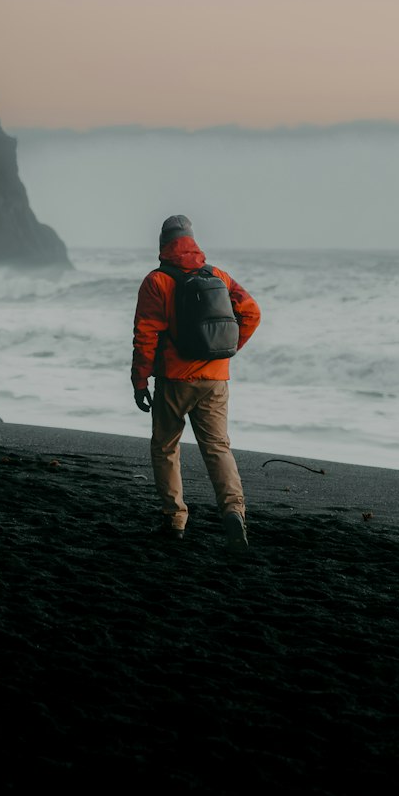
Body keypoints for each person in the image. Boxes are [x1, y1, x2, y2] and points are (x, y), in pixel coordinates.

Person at [131, 215, 261, 551]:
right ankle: (234, 512)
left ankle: (174, 520)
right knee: (218, 447)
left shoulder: (156, 281)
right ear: (192, 240)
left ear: (163, 243)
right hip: (215, 379)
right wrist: (224, 353)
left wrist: (140, 380)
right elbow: (251, 313)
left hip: (175, 379)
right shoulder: (217, 275)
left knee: (165, 447)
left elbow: (146, 335)